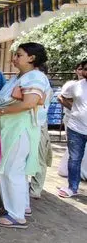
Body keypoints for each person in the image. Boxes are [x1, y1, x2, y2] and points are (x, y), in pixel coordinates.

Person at [0, 42, 50, 229]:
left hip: (20, 129)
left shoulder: (35, 77)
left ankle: (15, 215)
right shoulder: (22, 77)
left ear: (32, 58)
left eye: (19, 55)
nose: (14, 58)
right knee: (16, 171)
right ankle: (20, 207)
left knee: (11, 170)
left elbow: (29, 103)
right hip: (12, 129)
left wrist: (1, 112)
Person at [58, 60, 87, 198]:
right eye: (84, 69)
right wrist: (73, 109)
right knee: (74, 159)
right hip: (76, 128)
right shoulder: (76, 86)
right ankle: (72, 187)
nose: (84, 72)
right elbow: (62, 97)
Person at [29, 63, 54, 200]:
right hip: (32, 123)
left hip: (39, 124)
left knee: (39, 158)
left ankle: (36, 189)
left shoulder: (43, 86)